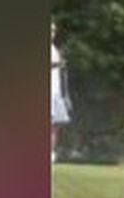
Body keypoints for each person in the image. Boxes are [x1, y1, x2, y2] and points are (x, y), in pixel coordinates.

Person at [50, 22, 71, 163]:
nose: (52, 33)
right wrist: (57, 64)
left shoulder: (54, 49)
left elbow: (62, 74)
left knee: (55, 124)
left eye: (53, 30)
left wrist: (66, 95)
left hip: (55, 91)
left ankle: (51, 153)